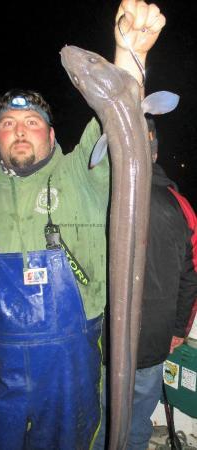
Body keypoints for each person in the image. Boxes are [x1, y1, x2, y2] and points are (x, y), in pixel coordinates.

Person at [0, 1, 166, 449]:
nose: (19, 130)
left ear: (52, 136)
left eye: (32, 122)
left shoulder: (81, 177)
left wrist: (130, 51)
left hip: (71, 374)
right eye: (8, 124)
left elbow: (118, 111)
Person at [96, 117, 197, 450]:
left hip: (104, 344)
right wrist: (180, 330)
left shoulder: (103, 200)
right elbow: (192, 277)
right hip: (153, 345)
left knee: (99, 423)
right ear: (154, 154)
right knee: (137, 424)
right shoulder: (181, 208)